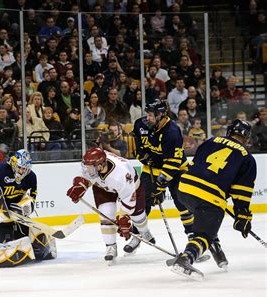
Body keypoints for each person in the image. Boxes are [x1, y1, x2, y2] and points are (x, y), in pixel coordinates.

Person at [169, 120, 257, 280]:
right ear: (247, 138)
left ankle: (216, 248)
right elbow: (241, 192)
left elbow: (197, 164)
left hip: (184, 189)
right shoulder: (247, 157)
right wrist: (243, 215)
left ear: (229, 131)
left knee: (206, 220)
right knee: (204, 234)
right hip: (208, 198)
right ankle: (186, 258)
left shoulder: (211, 140)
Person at [66, 147, 155, 264]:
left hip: (132, 187)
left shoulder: (121, 174)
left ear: (100, 165)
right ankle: (111, 246)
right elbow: (84, 176)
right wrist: (80, 185)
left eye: (90, 168)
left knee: (137, 216)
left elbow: (128, 200)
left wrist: (124, 219)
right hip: (103, 188)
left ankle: (143, 232)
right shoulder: (94, 164)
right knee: (106, 214)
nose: (87, 170)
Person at [132, 99, 193, 251]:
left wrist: (159, 186)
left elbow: (173, 163)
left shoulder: (172, 131)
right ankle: (137, 236)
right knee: (142, 203)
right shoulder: (141, 125)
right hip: (151, 168)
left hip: (176, 169)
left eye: (151, 115)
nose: (148, 118)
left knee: (183, 203)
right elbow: (138, 148)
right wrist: (143, 157)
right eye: (147, 114)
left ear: (161, 115)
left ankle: (193, 237)